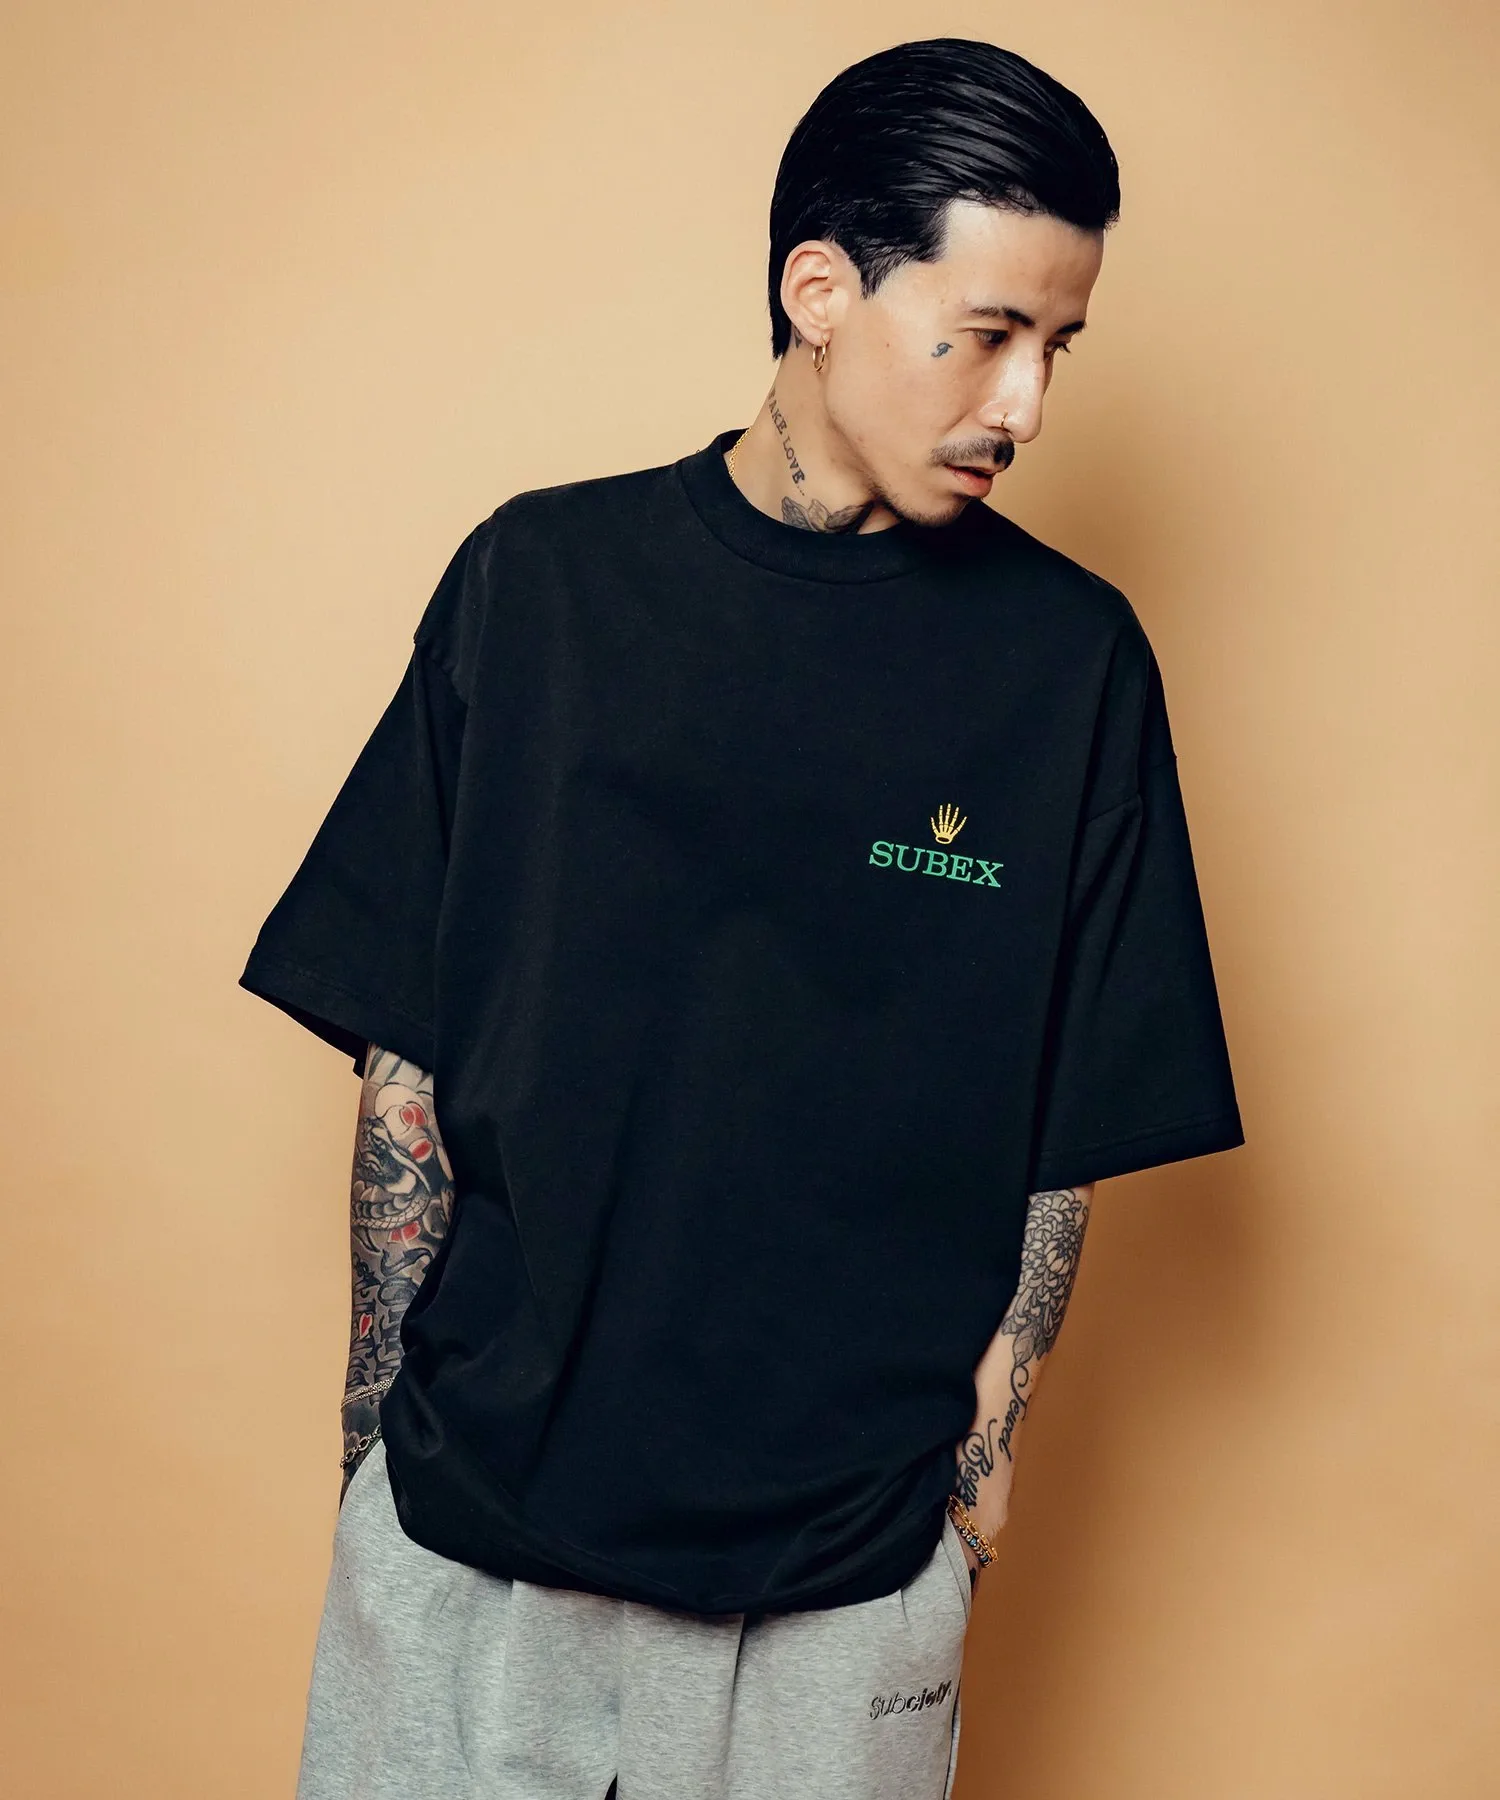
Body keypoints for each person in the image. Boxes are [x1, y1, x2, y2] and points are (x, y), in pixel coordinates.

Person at [238, 36, 1243, 1800]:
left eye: (1059, 348)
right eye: (986, 334)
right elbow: (409, 1064)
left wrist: (972, 1488)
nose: (1024, 406)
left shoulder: (1069, 665)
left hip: (843, 1588)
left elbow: (1063, 1131)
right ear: (821, 290)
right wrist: (370, 1464)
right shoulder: (541, 586)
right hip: (471, 1546)